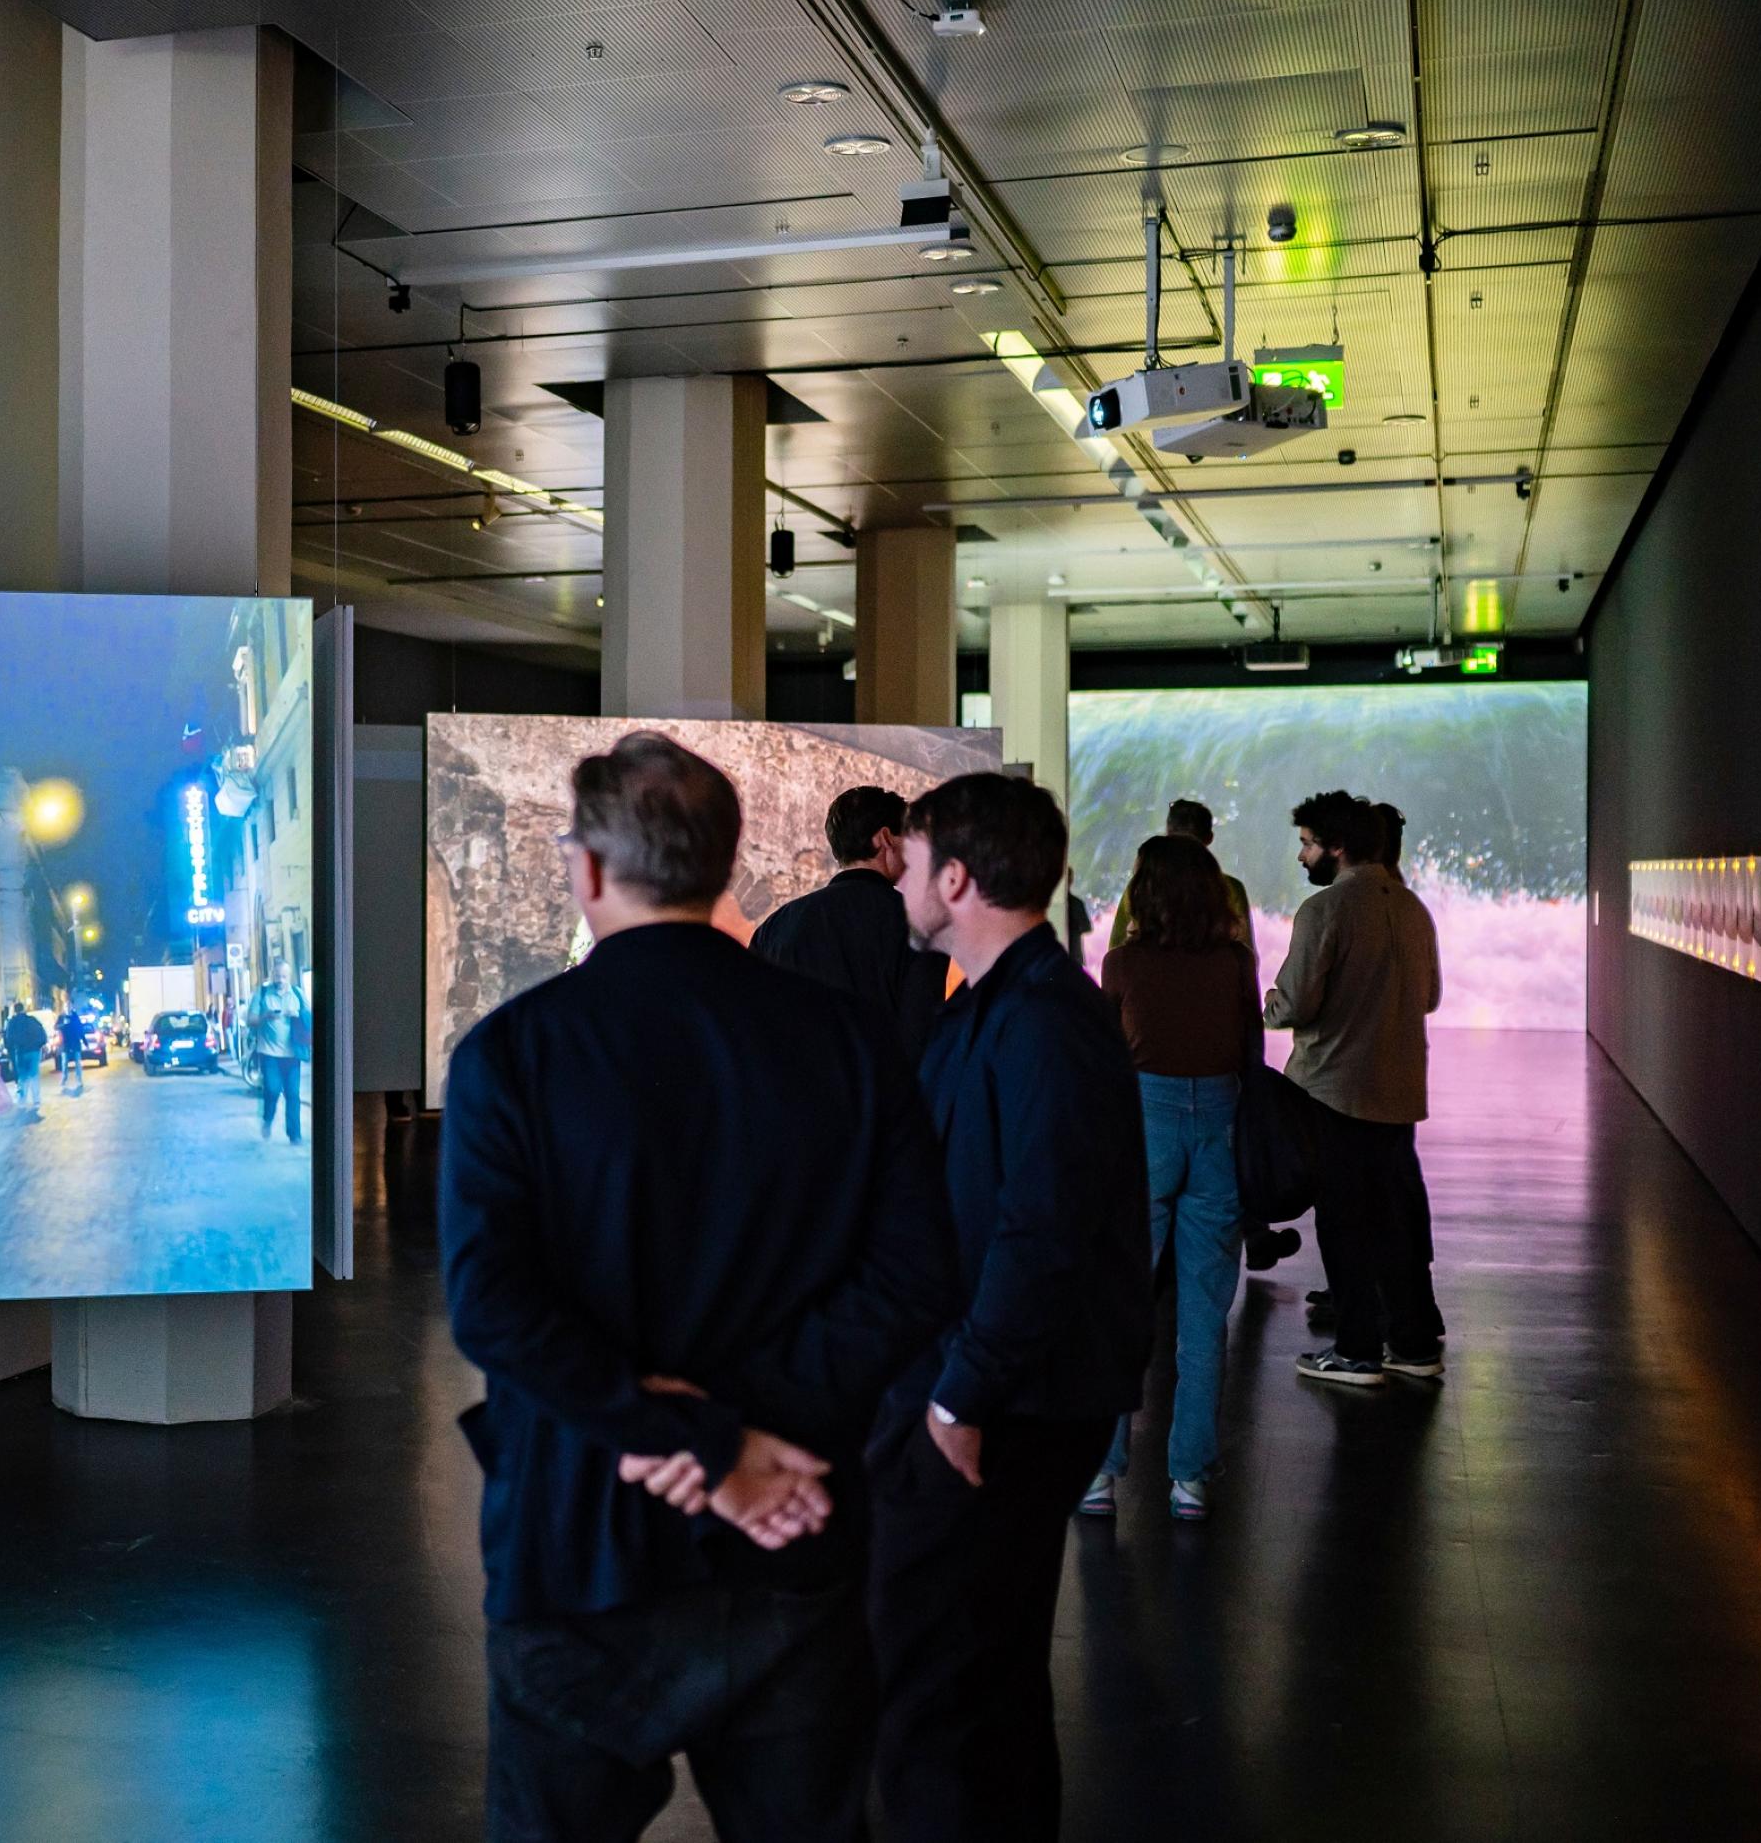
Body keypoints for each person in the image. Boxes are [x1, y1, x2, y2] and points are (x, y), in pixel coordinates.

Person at [443, 732, 958, 1843]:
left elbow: (493, 1306)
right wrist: (738, 1444)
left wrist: (684, 1434)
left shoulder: (510, 1053)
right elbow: (916, 1278)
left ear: (583, 868)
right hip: (792, 1525)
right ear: (724, 862)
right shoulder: (846, 1042)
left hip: (574, 1537)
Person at [871, 770, 1152, 1843]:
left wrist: (957, 1400)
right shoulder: (1003, 1007)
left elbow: (1039, 1232)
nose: (894, 873)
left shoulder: (1041, 1022)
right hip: (994, 1388)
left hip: (1004, 1403)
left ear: (957, 876)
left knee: (943, 1685)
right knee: (976, 1678)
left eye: (911, 855)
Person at [1078, 837, 1263, 1524]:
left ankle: (1099, 1473)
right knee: (1205, 1314)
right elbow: (1252, 1049)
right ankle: (1190, 1478)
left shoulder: (1123, 963)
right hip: (1218, 1123)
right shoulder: (1233, 964)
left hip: (1144, 1130)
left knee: (1121, 1303)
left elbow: (1104, 1056)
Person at [1271, 792, 1446, 1386]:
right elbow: (1430, 998)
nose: (1301, 856)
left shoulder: (1326, 910)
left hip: (1334, 1091)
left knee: (1344, 1222)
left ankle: (1357, 1349)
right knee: (1394, 1219)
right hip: (1399, 1091)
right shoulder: (1413, 907)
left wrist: (1264, 1005)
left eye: (1307, 843)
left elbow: (1295, 1002)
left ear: (1336, 847)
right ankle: (1416, 1344)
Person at [748, 784, 949, 1065]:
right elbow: (922, 1042)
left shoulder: (775, 928)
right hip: (881, 1101)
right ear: (885, 838)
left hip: (796, 1099)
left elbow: (758, 1031)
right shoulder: (922, 924)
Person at [1109, 799, 1253, 948]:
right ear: (1209, 838)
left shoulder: (1143, 885)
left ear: (1167, 834)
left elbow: (1116, 945)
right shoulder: (1231, 888)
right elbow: (1246, 948)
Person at [252, 965, 308, 1144]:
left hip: (292, 1054)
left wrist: (297, 1014)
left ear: (288, 976)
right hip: (269, 1053)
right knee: (272, 1089)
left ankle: (295, 1135)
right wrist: (264, 1017)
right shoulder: (262, 994)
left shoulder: (297, 994)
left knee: (293, 1094)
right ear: (272, 975)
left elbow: (310, 1018)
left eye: (283, 976)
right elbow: (250, 1020)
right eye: (277, 975)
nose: (280, 980)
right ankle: (267, 1119)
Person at [0, 1002, 47, 1119]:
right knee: (34, 1076)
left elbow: (8, 1039)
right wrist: (39, 1046)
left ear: (15, 1010)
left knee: (23, 1077)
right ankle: (36, 1101)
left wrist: (12, 1052)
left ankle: (22, 1101)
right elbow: (42, 1034)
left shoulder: (12, 1022)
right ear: (24, 1009)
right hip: (34, 1052)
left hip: (20, 1052)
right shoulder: (32, 1020)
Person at [57, 997, 88, 1098]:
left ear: (72, 1006)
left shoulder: (75, 1016)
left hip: (75, 1043)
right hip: (65, 1044)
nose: (68, 1007)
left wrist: (85, 1041)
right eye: (67, 1005)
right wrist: (63, 1025)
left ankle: (79, 1080)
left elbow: (80, 1029)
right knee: (64, 1063)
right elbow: (56, 1026)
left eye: (70, 1005)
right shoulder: (61, 1017)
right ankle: (64, 1079)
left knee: (77, 1063)